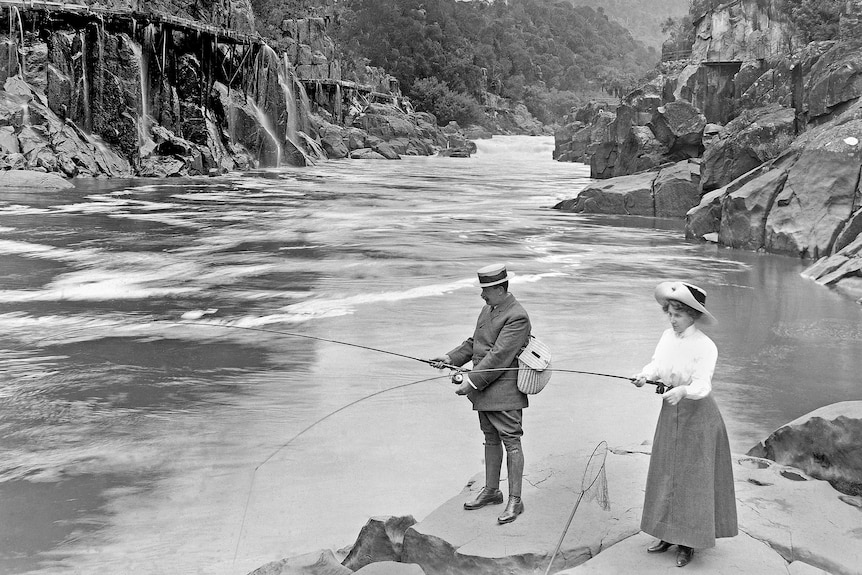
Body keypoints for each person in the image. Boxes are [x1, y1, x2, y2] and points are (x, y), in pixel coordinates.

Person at [631, 281, 738, 568]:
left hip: (698, 415)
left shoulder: (705, 346)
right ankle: (665, 533)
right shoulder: (667, 336)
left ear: (693, 315)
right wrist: (643, 375)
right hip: (671, 411)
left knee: (692, 479)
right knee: (666, 471)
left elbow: (702, 385)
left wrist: (683, 391)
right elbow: (657, 365)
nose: (672, 319)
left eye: (678, 314)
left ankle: (688, 543)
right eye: (670, 313)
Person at [430, 263, 532, 525]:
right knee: (490, 438)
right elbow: (475, 343)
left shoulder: (517, 316)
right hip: (485, 389)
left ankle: (515, 500)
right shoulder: (489, 308)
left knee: (511, 441)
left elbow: (499, 356)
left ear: (499, 289)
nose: (482, 295)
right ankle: (492, 491)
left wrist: (471, 383)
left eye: (486, 290)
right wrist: (450, 357)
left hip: (505, 392)